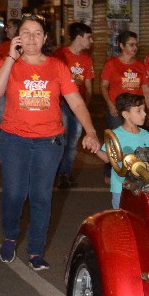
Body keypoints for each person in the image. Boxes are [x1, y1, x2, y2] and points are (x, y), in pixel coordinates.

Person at [0, 14, 99, 270]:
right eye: (26, 33)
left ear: (45, 38)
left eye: (37, 33)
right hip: (14, 139)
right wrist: (11, 59)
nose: (32, 38)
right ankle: (11, 234)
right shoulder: (9, 63)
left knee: (40, 196)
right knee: (15, 193)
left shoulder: (57, 67)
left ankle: (36, 250)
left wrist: (91, 131)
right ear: (17, 37)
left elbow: (76, 101)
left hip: (48, 141)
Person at [51, 23, 96, 188]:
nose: (91, 41)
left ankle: (65, 174)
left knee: (73, 141)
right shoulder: (59, 55)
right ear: (79, 37)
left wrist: (86, 106)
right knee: (59, 140)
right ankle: (53, 173)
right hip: (61, 104)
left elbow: (89, 86)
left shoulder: (86, 59)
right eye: (88, 37)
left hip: (78, 106)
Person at [96, 94, 149, 208]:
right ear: (126, 115)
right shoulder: (115, 135)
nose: (144, 114)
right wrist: (95, 148)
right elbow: (107, 158)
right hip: (120, 186)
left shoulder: (146, 135)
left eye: (144, 110)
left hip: (141, 186)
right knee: (122, 215)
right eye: (139, 111)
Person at [99, 31, 149, 130]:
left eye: (136, 44)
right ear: (122, 46)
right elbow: (103, 86)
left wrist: (148, 110)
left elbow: (146, 90)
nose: (135, 48)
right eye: (131, 45)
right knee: (119, 139)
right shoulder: (112, 63)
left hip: (136, 109)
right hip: (117, 109)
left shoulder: (140, 65)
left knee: (135, 138)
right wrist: (110, 104)